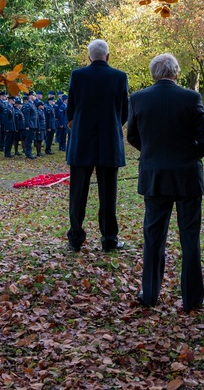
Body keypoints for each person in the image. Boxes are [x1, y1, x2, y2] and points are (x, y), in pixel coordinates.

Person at [128, 54, 204, 311]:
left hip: (155, 176)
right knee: (190, 238)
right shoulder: (190, 98)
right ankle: (192, 299)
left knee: (153, 237)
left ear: (154, 73)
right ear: (175, 73)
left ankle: (150, 294)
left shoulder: (138, 98)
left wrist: (153, 154)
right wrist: (187, 156)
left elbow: (133, 136)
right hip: (187, 176)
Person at [66, 38, 129, 253]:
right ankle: (109, 239)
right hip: (109, 142)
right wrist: (110, 127)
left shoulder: (78, 75)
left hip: (82, 142)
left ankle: (75, 238)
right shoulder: (120, 77)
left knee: (77, 195)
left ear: (89, 57)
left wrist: (80, 128)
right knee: (108, 195)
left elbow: (71, 110)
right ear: (108, 56)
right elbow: (124, 112)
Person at [21, 93, 37, 159]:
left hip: (33, 124)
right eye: (33, 95)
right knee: (28, 140)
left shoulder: (32, 104)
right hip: (30, 124)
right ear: (30, 96)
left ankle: (29, 152)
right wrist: (27, 125)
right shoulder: (28, 105)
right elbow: (26, 116)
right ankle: (28, 153)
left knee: (30, 140)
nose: (34, 96)